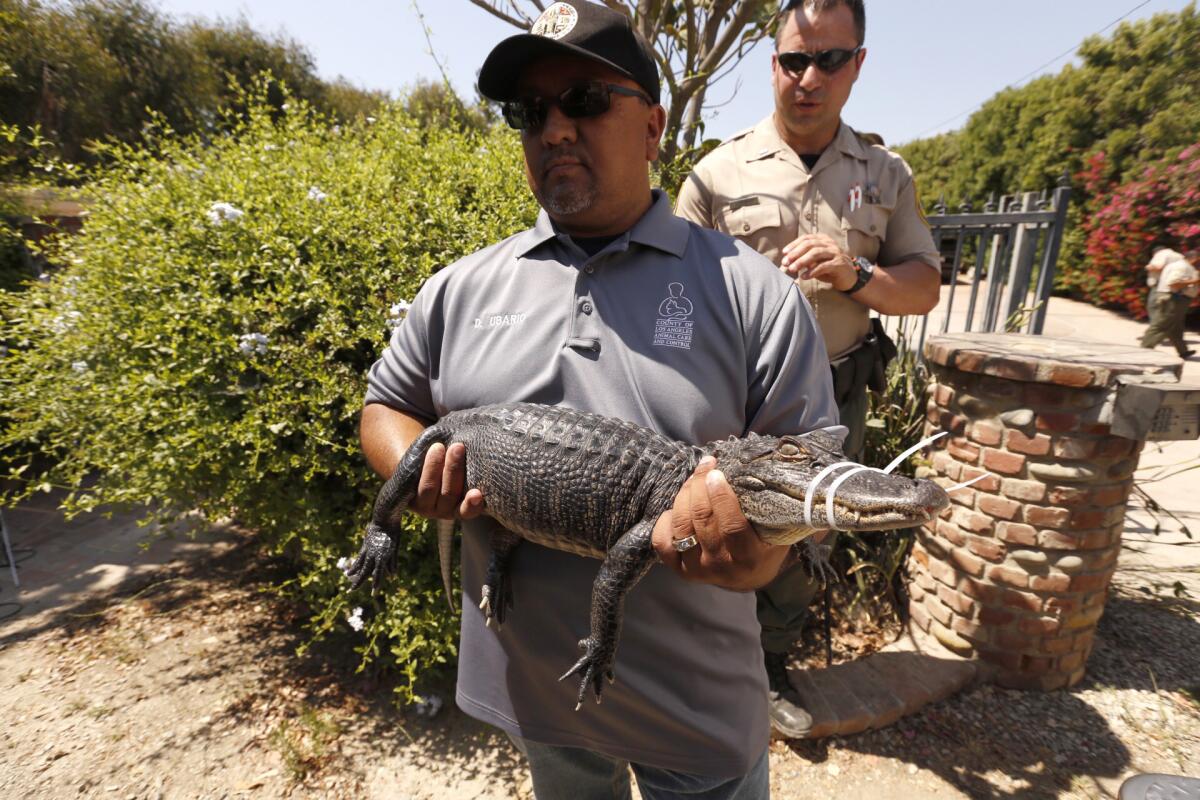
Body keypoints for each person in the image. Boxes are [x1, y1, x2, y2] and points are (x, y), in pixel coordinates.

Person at [359, 3, 839, 797]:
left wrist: (765, 548)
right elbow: (387, 408)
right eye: (529, 111)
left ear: (652, 129)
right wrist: (425, 480)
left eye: (582, 99)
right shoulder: (459, 288)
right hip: (536, 694)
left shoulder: (752, 292)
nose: (552, 129)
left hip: (698, 713)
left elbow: (808, 472)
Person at [674, 0, 941, 738]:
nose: (809, 76)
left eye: (829, 59)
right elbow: (667, 294)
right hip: (736, 400)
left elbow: (922, 287)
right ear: (773, 64)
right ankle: (701, 664)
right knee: (713, 521)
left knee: (807, 536)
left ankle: (770, 666)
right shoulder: (717, 174)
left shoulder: (886, 174)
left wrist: (856, 274)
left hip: (834, 397)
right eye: (795, 59)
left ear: (858, 63)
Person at [1140, 247, 1198, 358]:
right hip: (1174, 299)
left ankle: (1183, 351)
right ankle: (1145, 348)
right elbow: (1173, 283)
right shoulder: (1182, 267)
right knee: (1161, 324)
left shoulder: (1178, 265)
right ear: (1194, 258)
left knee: (1176, 327)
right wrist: (1195, 281)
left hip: (1174, 298)